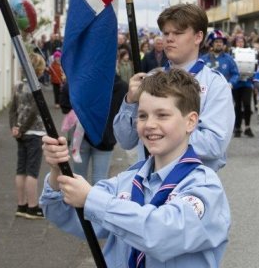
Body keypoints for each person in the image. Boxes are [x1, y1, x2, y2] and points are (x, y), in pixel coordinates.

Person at [40, 69, 231, 267]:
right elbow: (66, 214)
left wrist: (92, 199)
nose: (149, 124)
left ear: (190, 121)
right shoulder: (126, 182)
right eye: (142, 115)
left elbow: (160, 235)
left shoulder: (205, 187)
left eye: (162, 115)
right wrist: (57, 171)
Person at [113, 3, 235, 172]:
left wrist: (162, 132)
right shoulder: (149, 79)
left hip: (190, 185)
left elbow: (214, 144)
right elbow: (125, 140)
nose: (169, 38)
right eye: (166, 33)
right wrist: (130, 102)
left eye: (178, 33)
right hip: (147, 185)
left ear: (198, 37)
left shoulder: (215, 84)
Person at [60, 74, 128, 184]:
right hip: (106, 137)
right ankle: (94, 201)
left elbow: (64, 104)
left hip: (81, 135)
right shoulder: (122, 86)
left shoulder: (82, 79)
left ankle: (79, 201)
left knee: (78, 178)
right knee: (100, 180)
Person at [9, 65, 47, 219]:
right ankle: (32, 207)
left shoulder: (18, 86)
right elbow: (34, 112)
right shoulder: (37, 88)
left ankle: (21, 205)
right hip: (35, 132)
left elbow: (13, 109)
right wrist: (23, 129)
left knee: (21, 170)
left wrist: (14, 127)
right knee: (32, 171)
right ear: (38, 70)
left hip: (20, 133)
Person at [231, 34, 255, 138]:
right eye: (238, 42)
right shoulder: (232, 53)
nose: (240, 43)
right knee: (237, 106)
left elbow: (254, 66)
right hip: (236, 84)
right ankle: (237, 127)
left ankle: (247, 127)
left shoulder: (249, 53)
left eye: (242, 42)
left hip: (247, 83)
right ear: (235, 43)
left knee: (247, 104)